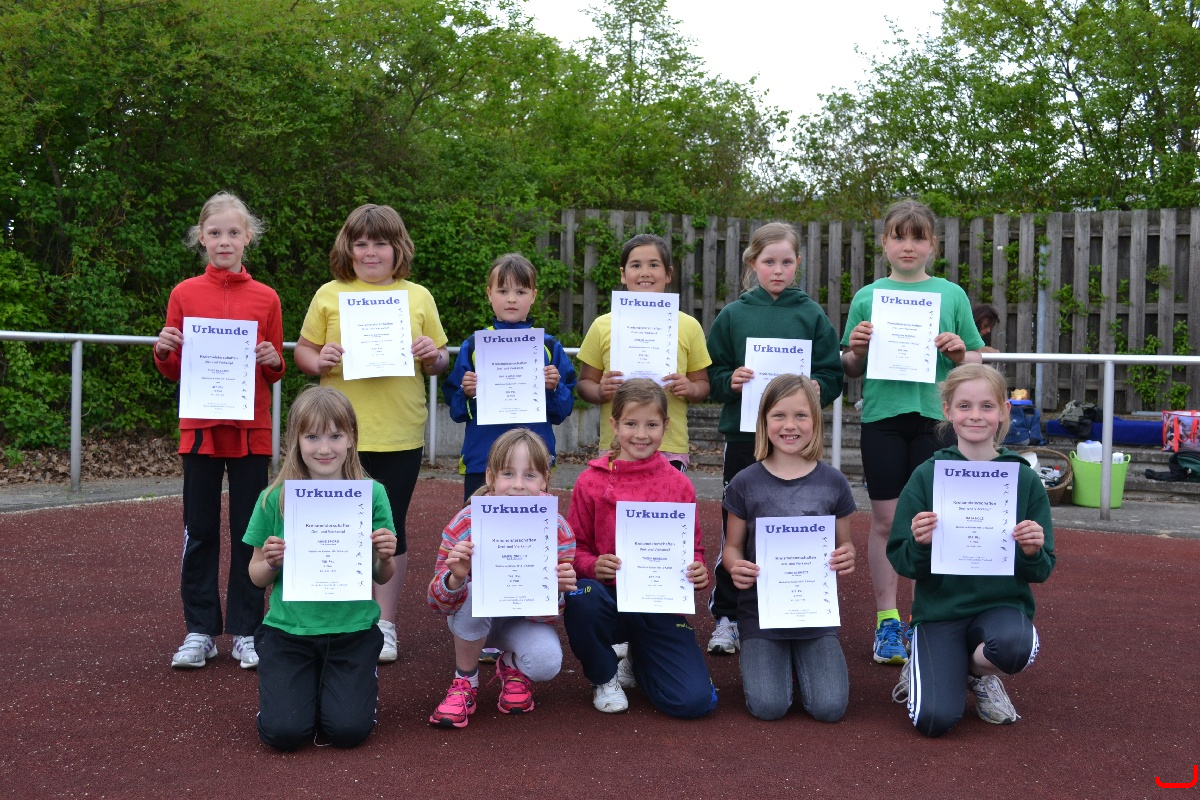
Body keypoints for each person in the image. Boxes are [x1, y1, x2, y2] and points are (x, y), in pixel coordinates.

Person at [294, 204, 449, 664]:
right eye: (360, 243)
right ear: (348, 248)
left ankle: (384, 624)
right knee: (335, 526)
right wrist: (318, 360)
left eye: (380, 243)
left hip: (399, 431)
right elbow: (303, 351)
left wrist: (431, 354)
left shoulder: (418, 296)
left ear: (398, 248)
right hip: (335, 438)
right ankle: (342, 617)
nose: (370, 252)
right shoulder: (329, 294)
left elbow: (440, 359)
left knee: (389, 527)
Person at [841, 199, 984, 666]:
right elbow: (850, 365)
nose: (908, 246)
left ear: (932, 245)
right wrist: (856, 349)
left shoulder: (951, 295)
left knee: (933, 523)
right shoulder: (868, 297)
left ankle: (929, 620)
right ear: (884, 243)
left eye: (917, 237)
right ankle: (887, 620)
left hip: (935, 421)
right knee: (885, 522)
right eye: (898, 237)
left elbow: (975, 360)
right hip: (882, 418)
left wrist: (960, 353)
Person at [153, 191, 284, 670]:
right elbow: (174, 369)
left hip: (250, 432)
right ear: (201, 238)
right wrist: (164, 350)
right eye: (214, 233)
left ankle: (247, 630)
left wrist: (273, 360)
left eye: (233, 232)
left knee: (251, 531)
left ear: (248, 237)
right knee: (201, 529)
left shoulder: (266, 297)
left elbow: (274, 370)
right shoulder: (183, 294)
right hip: (201, 431)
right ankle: (200, 630)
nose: (224, 241)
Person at [887, 364, 1055, 736]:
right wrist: (919, 542)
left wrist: (1032, 549)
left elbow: (1043, 570)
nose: (975, 415)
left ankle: (977, 673)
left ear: (1004, 412)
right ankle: (930, 660)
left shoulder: (1024, 479)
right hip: (940, 612)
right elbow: (901, 560)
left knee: (1015, 647)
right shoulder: (927, 475)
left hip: (1001, 607)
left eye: (986, 406)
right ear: (947, 411)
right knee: (935, 720)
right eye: (964, 406)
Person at [704, 222, 844, 655]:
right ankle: (728, 615)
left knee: (795, 520)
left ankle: (795, 605)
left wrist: (819, 387)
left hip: (794, 442)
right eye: (769, 262)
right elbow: (712, 374)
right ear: (753, 263)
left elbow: (832, 373)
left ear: (797, 263)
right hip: (745, 436)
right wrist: (730, 380)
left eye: (786, 262)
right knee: (736, 528)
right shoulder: (733, 315)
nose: (778, 270)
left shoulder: (812, 315)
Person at [244, 386, 397, 751]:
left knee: (348, 731)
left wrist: (385, 556)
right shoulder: (274, 498)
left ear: (352, 438)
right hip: (289, 631)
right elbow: (255, 575)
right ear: (295, 440)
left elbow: (381, 575)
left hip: (352, 631)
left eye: (335, 436)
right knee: (283, 734)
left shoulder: (372, 494)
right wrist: (270, 562)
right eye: (312, 437)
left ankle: (332, 690)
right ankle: (295, 693)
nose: (324, 448)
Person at [563, 379, 716, 718]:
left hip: (658, 603)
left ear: (666, 426)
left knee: (693, 703)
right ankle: (604, 676)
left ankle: (638, 657)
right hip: (608, 598)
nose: (641, 434)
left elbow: (693, 549)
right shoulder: (590, 481)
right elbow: (575, 549)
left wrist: (697, 570)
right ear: (614, 425)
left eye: (651, 425)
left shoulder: (679, 485)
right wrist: (592, 565)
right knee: (582, 597)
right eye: (631, 424)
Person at [722, 374, 857, 721]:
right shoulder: (745, 482)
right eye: (779, 415)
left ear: (815, 421)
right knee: (769, 707)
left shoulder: (834, 482)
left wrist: (847, 555)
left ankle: (799, 661)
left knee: (830, 708)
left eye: (800, 415)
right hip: (761, 613)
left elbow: (845, 544)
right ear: (764, 421)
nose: (790, 425)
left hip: (815, 614)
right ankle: (780, 662)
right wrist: (736, 566)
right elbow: (731, 548)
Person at [426, 428, 577, 728]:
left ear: (545, 479)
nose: (518, 485)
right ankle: (465, 681)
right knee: (472, 593)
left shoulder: (557, 528)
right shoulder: (466, 522)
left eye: (530, 475)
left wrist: (556, 591)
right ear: (490, 477)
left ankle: (511, 666)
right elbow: (436, 602)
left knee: (547, 662)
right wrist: (456, 578)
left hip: (522, 621)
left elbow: (551, 616)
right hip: (472, 619)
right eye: (508, 473)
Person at [441, 253, 577, 502]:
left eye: (521, 292)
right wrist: (467, 393)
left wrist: (554, 389)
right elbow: (457, 410)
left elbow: (562, 411)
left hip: (534, 464)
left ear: (533, 295)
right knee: (479, 524)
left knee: (532, 525)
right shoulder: (474, 346)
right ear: (489, 294)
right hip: (483, 460)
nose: (511, 299)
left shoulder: (548, 347)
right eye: (503, 291)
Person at [576, 233, 711, 472]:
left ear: (668, 274)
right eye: (636, 265)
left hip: (669, 446)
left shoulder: (689, 326)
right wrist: (599, 391)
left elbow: (703, 385)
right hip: (617, 446)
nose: (645, 272)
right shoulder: (602, 325)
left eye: (654, 265)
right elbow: (585, 382)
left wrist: (691, 388)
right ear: (623, 273)